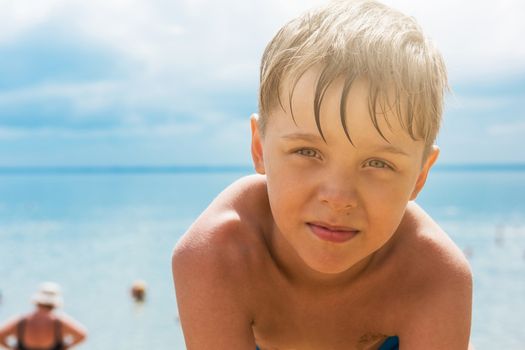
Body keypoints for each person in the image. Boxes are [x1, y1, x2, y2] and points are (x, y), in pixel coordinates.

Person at [172, 0, 473, 349]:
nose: (339, 196)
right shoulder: (218, 255)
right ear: (259, 149)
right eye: (307, 152)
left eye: (378, 164)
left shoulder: (433, 277)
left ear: (420, 177)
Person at [0, 282, 87, 350]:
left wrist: (12, 348)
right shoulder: (59, 321)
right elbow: (82, 335)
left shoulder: (22, 321)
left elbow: (1, 336)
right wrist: (65, 347)